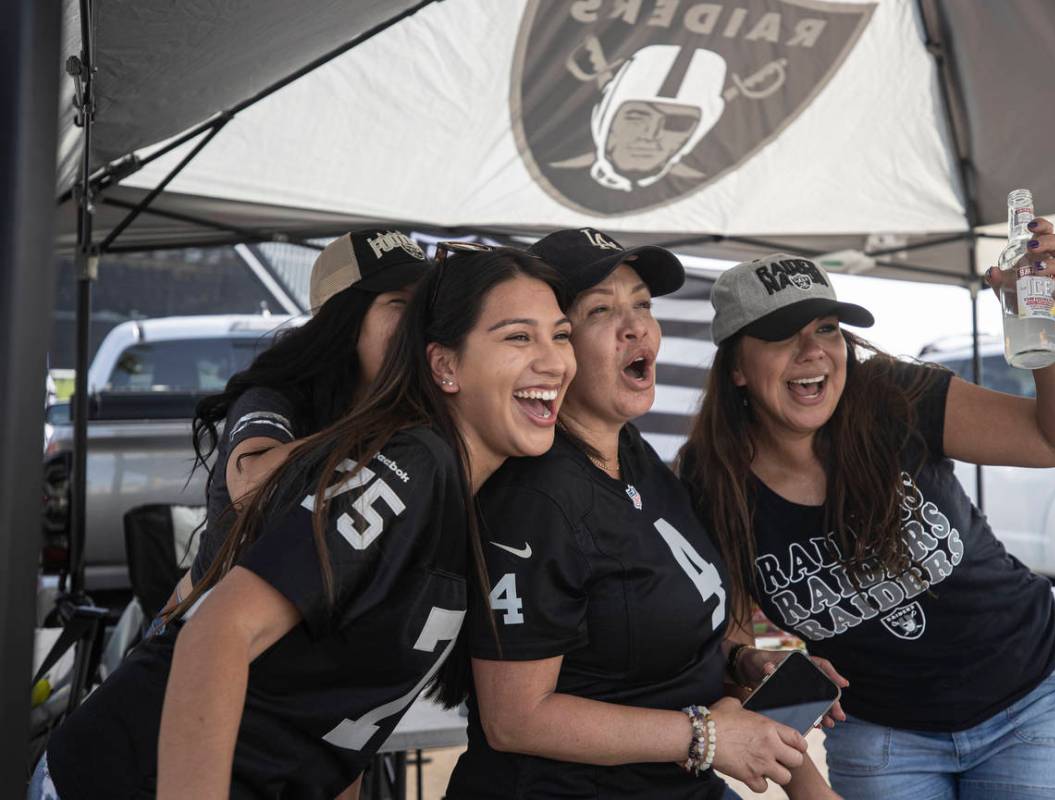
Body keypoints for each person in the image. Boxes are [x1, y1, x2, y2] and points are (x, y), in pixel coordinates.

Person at [31, 246, 576, 799]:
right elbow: (216, 631)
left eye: (561, 334)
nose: (554, 360)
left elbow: (341, 726)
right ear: (445, 365)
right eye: (518, 337)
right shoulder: (411, 460)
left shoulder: (458, 485)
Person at [678, 226, 1055, 799]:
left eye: (826, 328)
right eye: (781, 335)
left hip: (1028, 698)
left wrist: (1045, 328)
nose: (813, 352)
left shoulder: (890, 397)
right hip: (882, 734)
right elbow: (723, 628)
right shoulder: (710, 479)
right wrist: (755, 664)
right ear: (736, 367)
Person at [446, 228, 834, 800]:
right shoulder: (535, 498)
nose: (637, 327)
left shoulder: (630, 452)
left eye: (643, 305)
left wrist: (745, 660)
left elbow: (650, 636)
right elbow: (514, 719)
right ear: (557, 344)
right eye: (601, 310)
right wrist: (703, 735)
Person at [174, 229, 431, 611]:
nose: (417, 322)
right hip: (199, 631)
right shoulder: (276, 395)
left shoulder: (417, 408)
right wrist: (373, 423)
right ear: (342, 318)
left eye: (424, 306)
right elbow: (250, 485)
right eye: (398, 302)